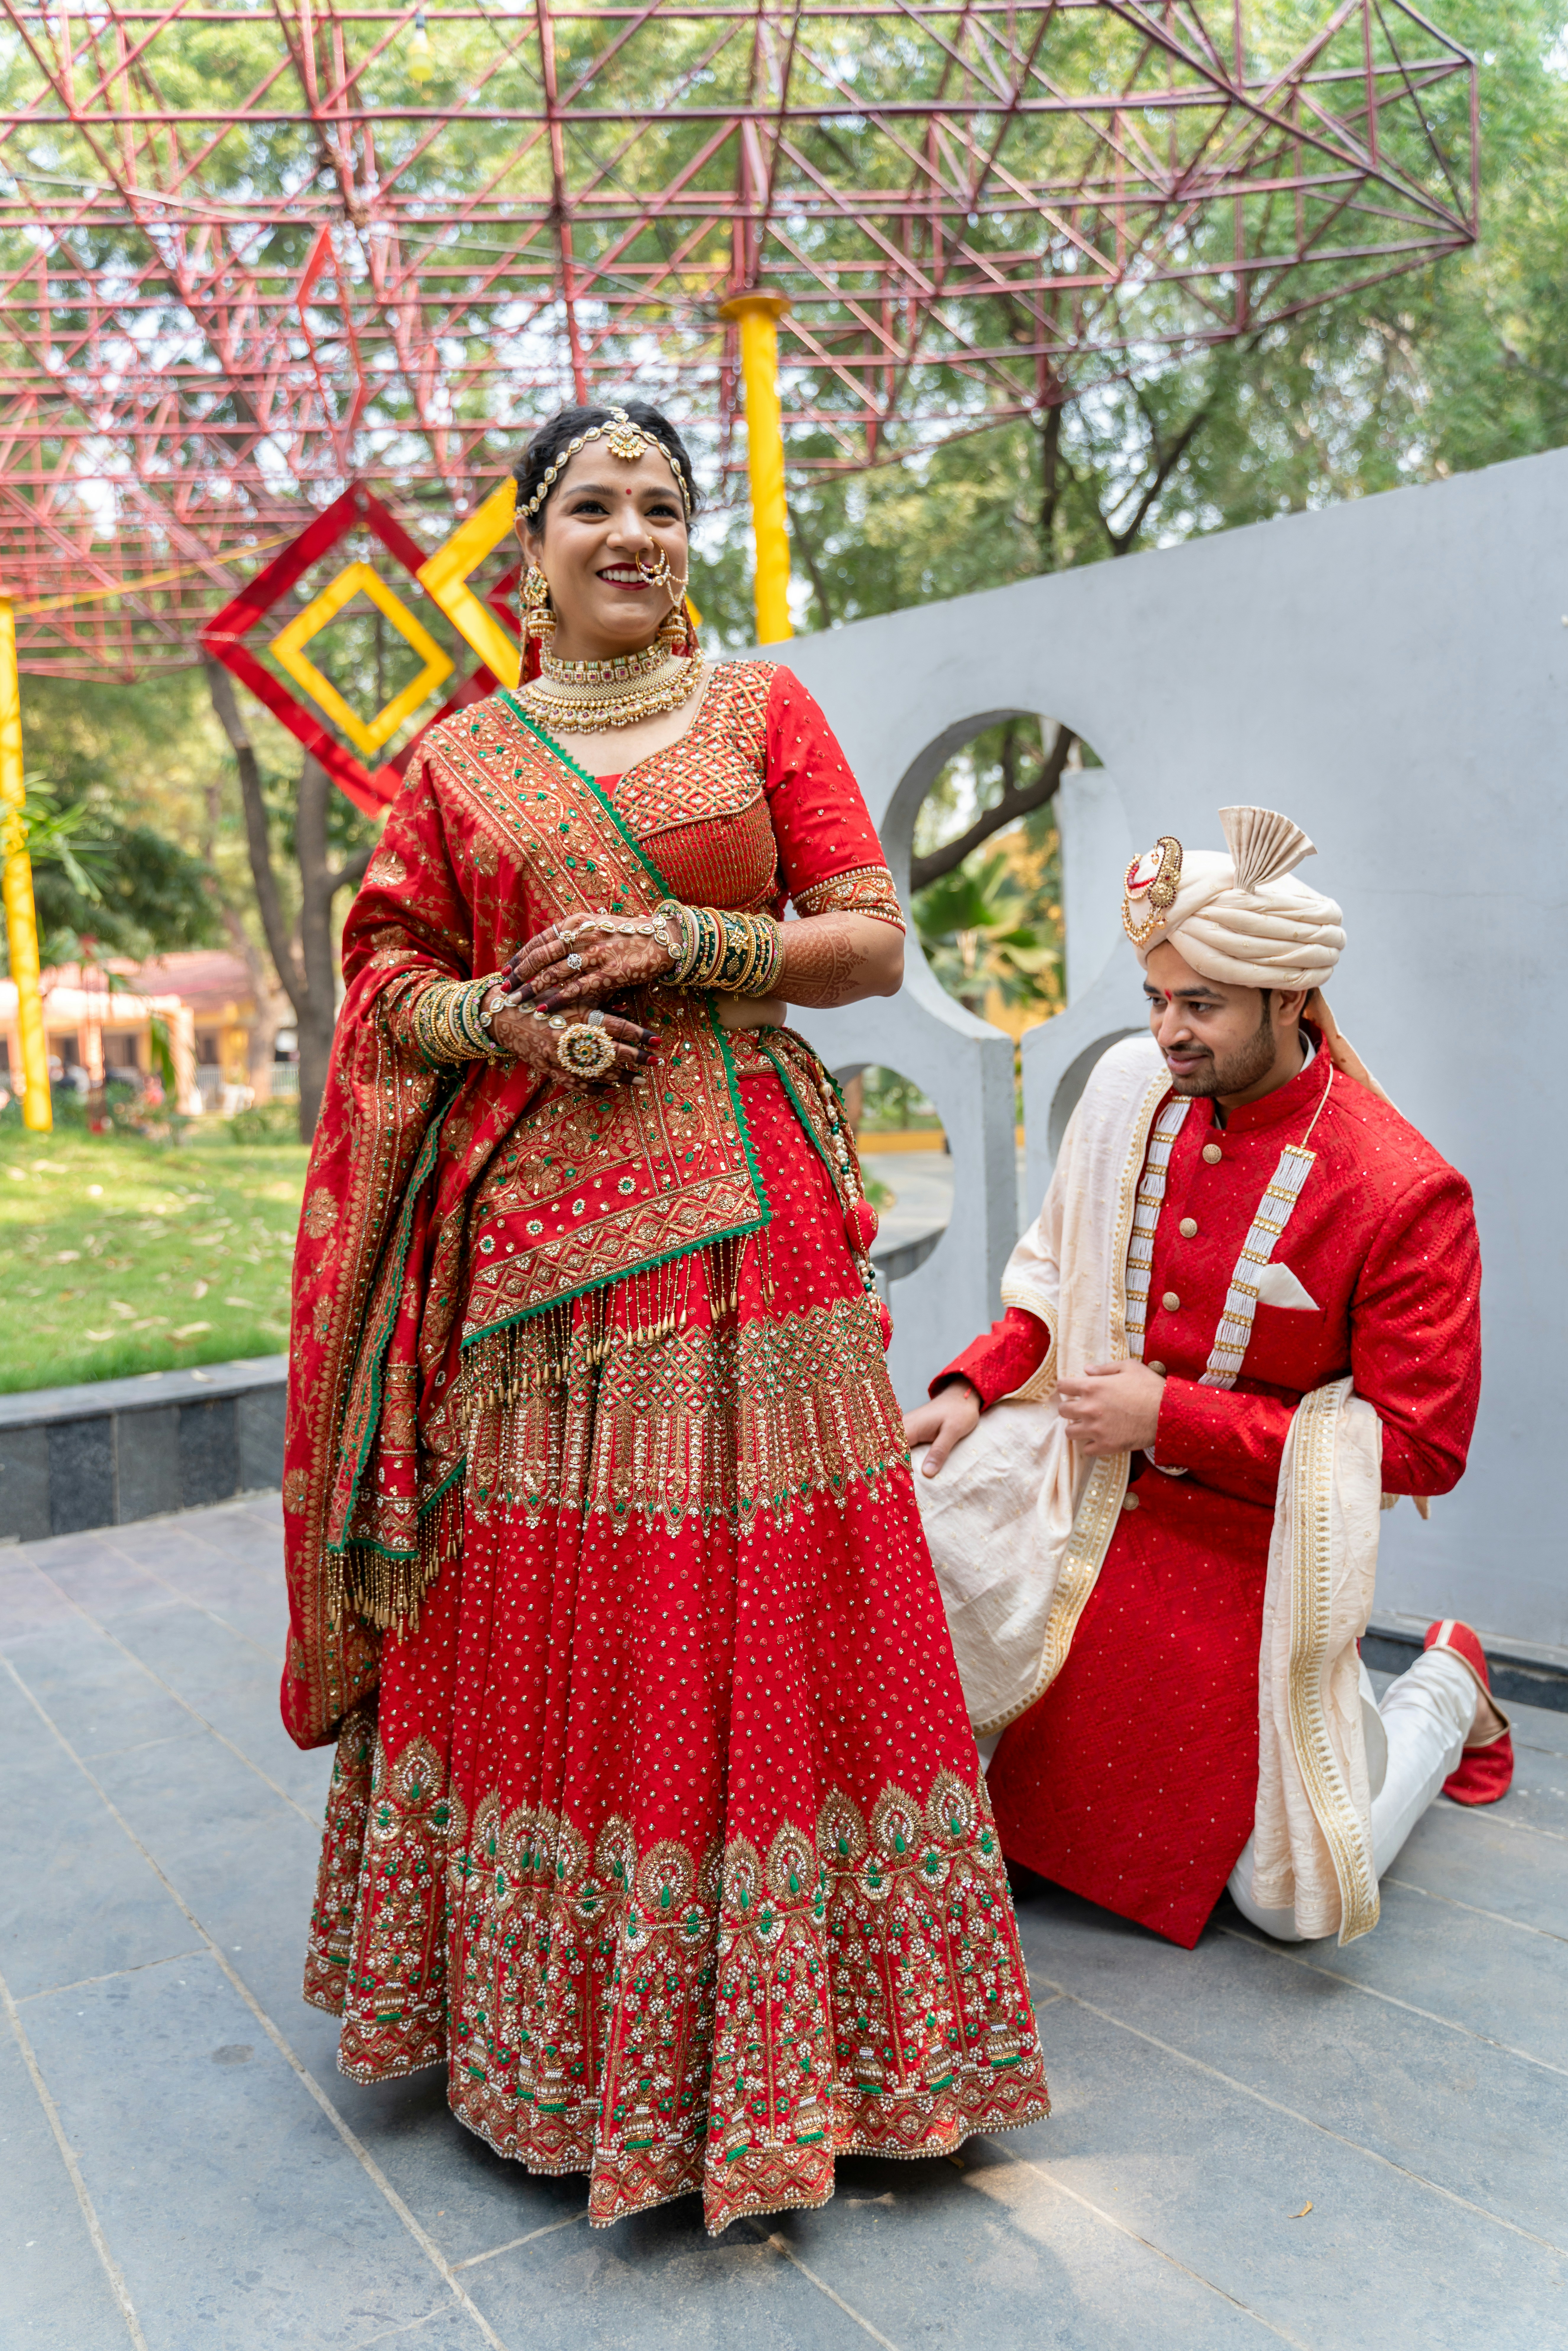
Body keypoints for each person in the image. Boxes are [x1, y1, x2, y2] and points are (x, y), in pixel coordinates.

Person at [281, 400, 1048, 2235]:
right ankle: (546, 2042)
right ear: (528, 549)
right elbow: (387, 971)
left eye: (666, 505)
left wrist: (680, 948)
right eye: (597, 506)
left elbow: (865, 933)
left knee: (772, 1609)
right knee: (568, 1611)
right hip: (534, 1255)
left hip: (750, 1228)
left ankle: (825, 2059)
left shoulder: (764, 714)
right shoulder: (461, 761)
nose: (637, 533)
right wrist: (517, 1025)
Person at [907, 807, 1511, 1951]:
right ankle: (1349, 1718)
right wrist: (971, 1390)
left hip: (1261, 1554)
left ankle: (1445, 1689)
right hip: (1092, 1509)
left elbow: (1421, 1447)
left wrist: (1169, 1416)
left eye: (1202, 1006)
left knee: (1289, 1903)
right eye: (1157, 999)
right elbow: (1055, 1285)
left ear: (1290, 1002)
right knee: (932, 1605)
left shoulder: (1400, 1188)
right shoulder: (1136, 1095)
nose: (1167, 1032)